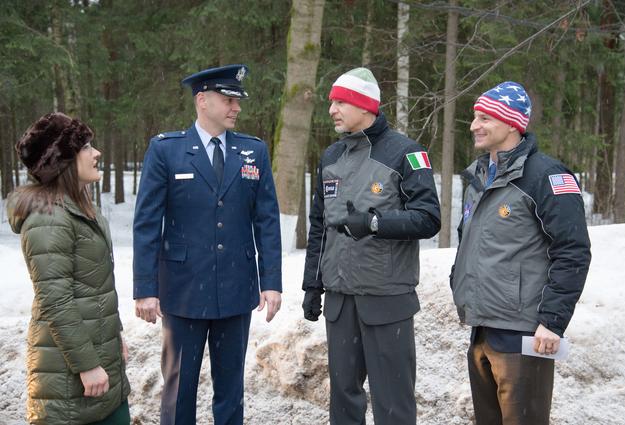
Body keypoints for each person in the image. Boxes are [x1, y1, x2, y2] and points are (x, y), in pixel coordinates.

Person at [133, 64, 282, 425]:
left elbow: (267, 221)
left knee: (231, 391)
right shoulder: (167, 150)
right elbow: (147, 223)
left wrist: (272, 282)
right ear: (202, 101)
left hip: (236, 287)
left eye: (238, 100)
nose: (236, 107)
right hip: (183, 290)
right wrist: (145, 289)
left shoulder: (253, 151)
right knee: (179, 389)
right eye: (228, 99)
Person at [302, 67, 441, 425]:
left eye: (340, 102)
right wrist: (312, 285)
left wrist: (375, 223)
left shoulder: (405, 153)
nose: (331, 109)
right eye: (331, 102)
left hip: (386, 298)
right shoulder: (331, 157)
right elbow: (319, 225)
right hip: (340, 300)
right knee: (343, 399)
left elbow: (428, 218)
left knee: (392, 402)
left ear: (365, 105)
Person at [450, 81, 591, 425]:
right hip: (482, 328)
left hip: (524, 334)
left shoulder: (545, 176)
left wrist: (552, 322)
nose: (474, 125)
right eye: (474, 117)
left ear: (512, 123)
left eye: (485, 118)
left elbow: (572, 251)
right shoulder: (478, 177)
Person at [7, 112, 131, 424]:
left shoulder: (81, 209)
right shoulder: (48, 218)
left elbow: (94, 286)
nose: (96, 153)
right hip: (69, 376)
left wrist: (114, 335)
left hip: (101, 361)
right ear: (60, 161)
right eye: (85, 147)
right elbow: (56, 300)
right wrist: (87, 365)